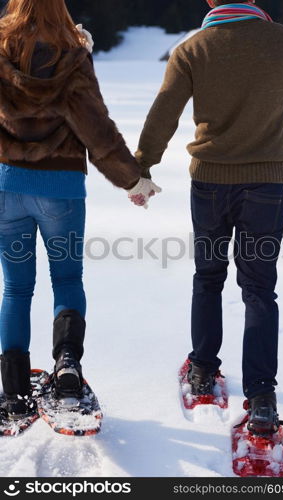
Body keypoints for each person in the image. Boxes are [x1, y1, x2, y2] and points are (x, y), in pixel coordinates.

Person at [135, 0, 283, 434]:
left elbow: (164, 112)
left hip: (210, 185)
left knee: (208, 276)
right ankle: (262, 397)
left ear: (210, 1)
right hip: (266, 188)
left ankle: (201, 369)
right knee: (258, 288)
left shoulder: (193, 48)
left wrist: (140, 168)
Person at [0, 0, 159, 422]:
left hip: (7, 186)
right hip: (62, 190)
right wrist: (133, 179)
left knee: (16, 288)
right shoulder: (72, 54)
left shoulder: (1, 46)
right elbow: (95, 125)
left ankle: (13, 391)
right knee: (67, 278)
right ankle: (67, 365)